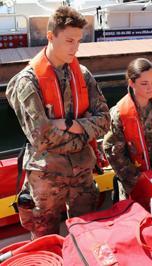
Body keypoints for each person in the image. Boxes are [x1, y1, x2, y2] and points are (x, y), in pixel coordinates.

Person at [6, 6, 110, 239]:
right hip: (46, 178)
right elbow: (41, 138)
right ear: (51, 36)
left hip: (82, 173)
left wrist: (69, 124)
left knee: (87, 232)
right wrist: (84, 133)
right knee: (44, 234)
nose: (75, 47)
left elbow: (105, 120)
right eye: (69, 40)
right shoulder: (27, 82)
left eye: (79, 41)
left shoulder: (82, 74)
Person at [103, 58, 152, 200]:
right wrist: (138, 179)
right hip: (134, 179)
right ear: (131, 83)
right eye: (144, 83)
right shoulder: (119, 113)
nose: (150, 88)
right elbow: (113, 151)